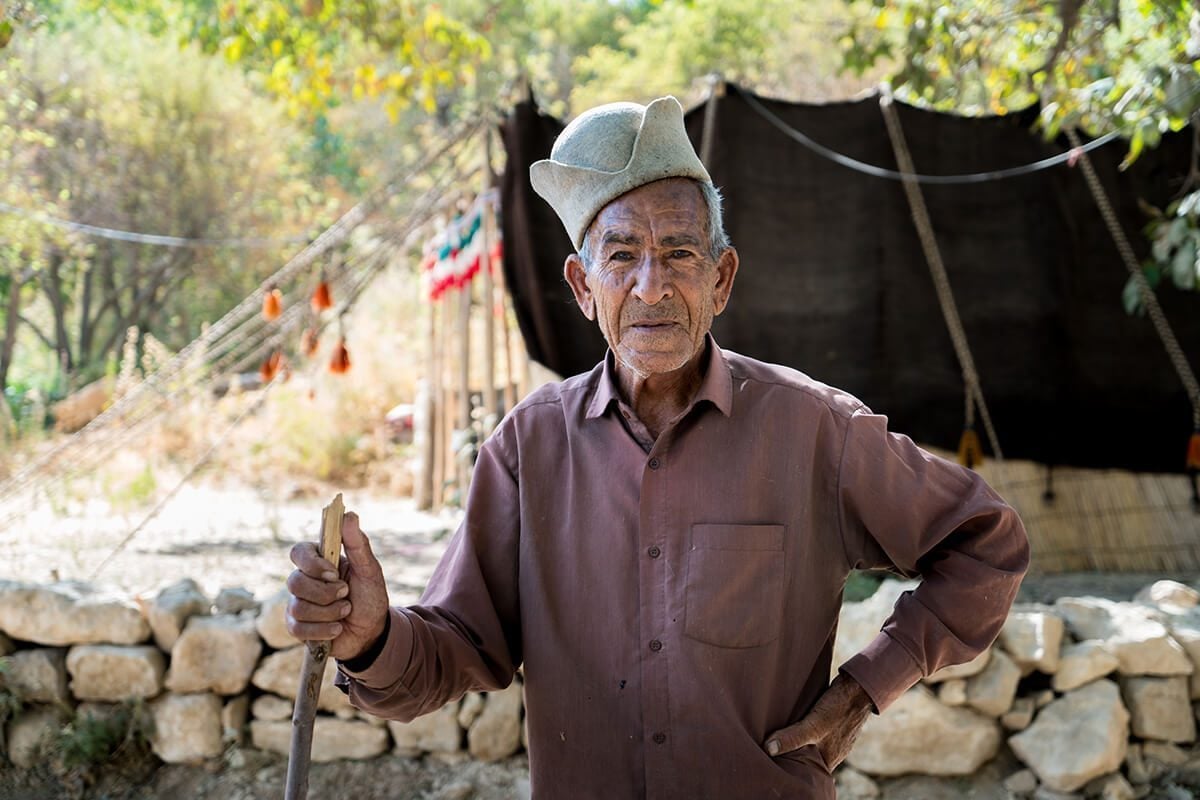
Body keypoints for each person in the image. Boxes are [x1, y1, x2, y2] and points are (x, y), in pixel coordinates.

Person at [286, 96, 1030, 799]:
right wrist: (371, 638)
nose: (652, 287)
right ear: (583, 287)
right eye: (622, 256)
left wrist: (864, 691)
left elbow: (985, 545)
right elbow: (455, 649)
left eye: (680, 253)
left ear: (721, 279)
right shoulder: (529, 447)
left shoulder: (813, 431)